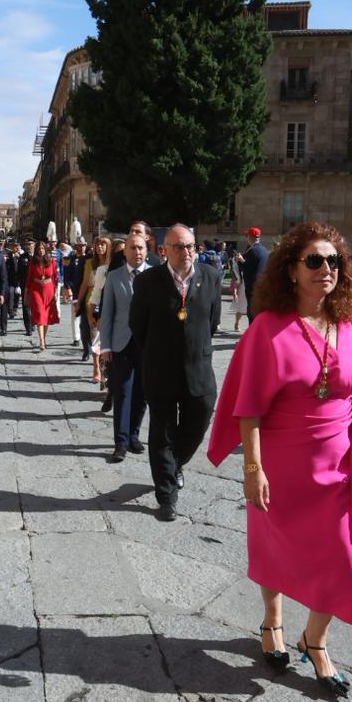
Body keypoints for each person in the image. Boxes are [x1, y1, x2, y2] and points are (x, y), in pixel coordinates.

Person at [207, 222, 352, 697]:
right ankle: (273, 622)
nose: (326, 269)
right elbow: (248, 408)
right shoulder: (267, 328)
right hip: (282, 463)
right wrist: (252, 468)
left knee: (340, 557)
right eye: (314, 261)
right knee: (275, 548)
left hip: (340, 463)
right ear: (291, 270)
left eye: (334, 261)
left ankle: (316, 641)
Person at [130, 223, 222, 521]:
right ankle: (166, 495)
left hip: (199, 369)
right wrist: (158, 351)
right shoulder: (148, 281)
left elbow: (212, 322)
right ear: (164, 250)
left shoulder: (210, 276)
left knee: (200, 419)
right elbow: (138, 326)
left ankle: (174, 463)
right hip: (161, 370)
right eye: (179, 247)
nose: (186, 252)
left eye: (190, 246)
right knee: (162, 431)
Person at [99, 231, 152, 460]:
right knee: (122, 392)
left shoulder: (156, 275)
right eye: (132, 248)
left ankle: (133, 435)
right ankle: (120, 442)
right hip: (121, 344)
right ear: (125, 252)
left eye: (141, 248)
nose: (137, 252)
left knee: (142, 393)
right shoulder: (114, 276)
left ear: (146, 251)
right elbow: (108, 313)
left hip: (148, 345)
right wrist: (105, 346)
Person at [83, 236, 113, 382]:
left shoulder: (113, 264)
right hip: (94, 302)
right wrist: (78, 301)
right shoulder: (90, 263)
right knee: (94, 336)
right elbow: (86, 283)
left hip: (109, 305)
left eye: (103, 244)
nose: (100, 247)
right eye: (97, 245)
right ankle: (96, 366)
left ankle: (104, 367)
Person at [26, 244, 60, 351]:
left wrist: (56, 292)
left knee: (46, 316)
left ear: (45, 249)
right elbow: (29, 278)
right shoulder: (33, 262)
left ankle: (44, 338)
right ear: (36, 250)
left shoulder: (52, 261)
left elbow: (55, 278)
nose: (41, 250)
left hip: (49, 290)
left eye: (42, 248)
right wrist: (26, 292)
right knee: (40, 314)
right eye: (39, 249)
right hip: (36, 290)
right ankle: (41, 341)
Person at [240, 226, 269, 321]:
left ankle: (253, 328)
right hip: (261, 284)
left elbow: (247, 268)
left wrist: (240, 261)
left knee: (252, 312)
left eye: (247, 236)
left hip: (252, 285)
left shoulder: (253, 250)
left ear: (250, 237)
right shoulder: (264, 249)